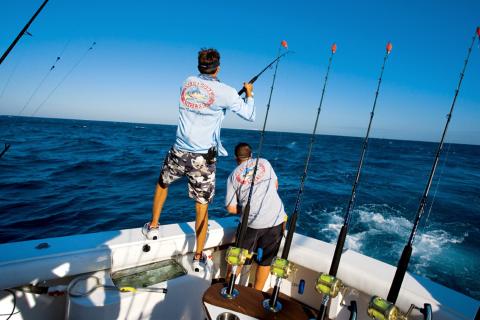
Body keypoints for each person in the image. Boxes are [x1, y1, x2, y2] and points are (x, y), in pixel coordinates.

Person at [144, 48, 256, 272]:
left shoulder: (186, 82)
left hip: (178, 151)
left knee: (162, 182)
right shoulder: (226, 92)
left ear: (199, 66)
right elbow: (249, 115)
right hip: (202, 159)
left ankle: (154, 225)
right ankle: (197, 256)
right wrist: (249, 94)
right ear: (219, 67)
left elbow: (206, 100)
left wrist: (230, 96)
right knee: (202, 206)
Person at [225, 142, 287, 291]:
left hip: (251, 224)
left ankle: (229, 287)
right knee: (266, 261)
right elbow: (276, 185)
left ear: (236, 158)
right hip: (276, 219)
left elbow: (231, 208)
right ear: (251, 155)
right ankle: (257, 293)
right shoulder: (264, 162)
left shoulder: (233, 176)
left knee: (237, 258)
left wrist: (244, 210)